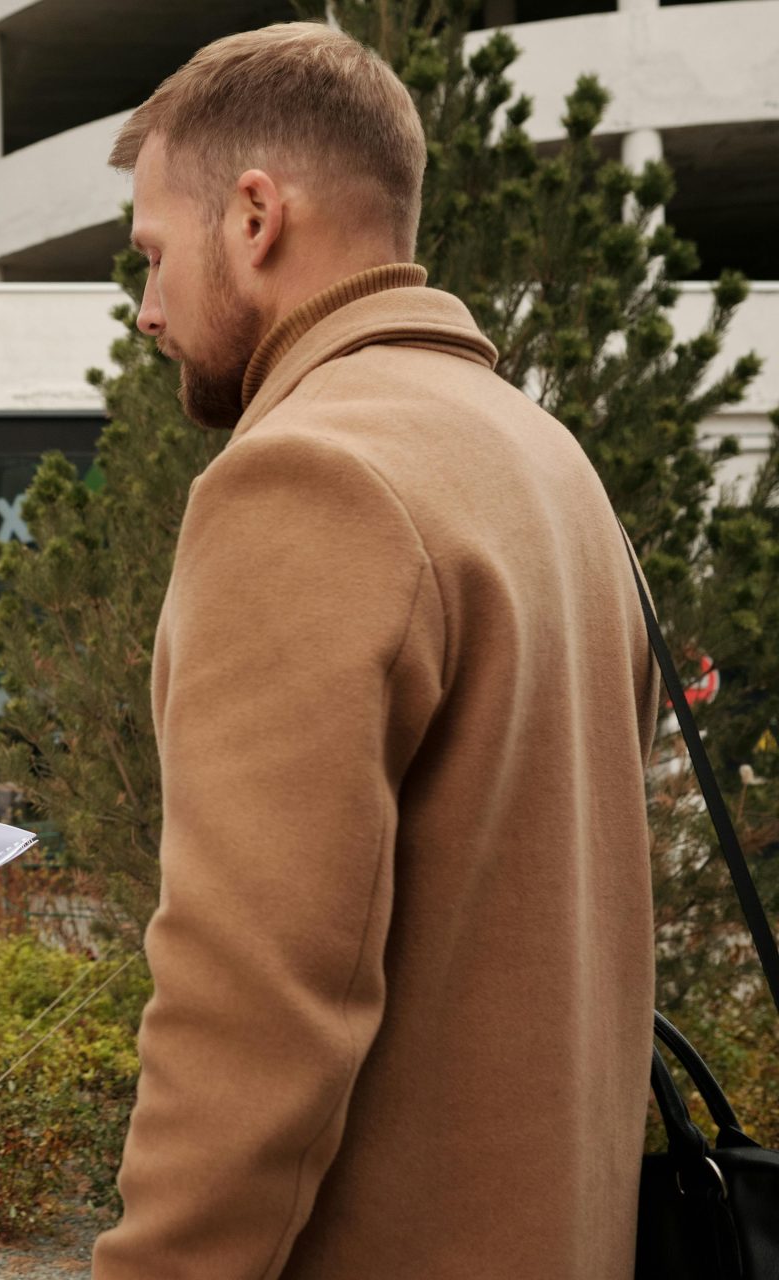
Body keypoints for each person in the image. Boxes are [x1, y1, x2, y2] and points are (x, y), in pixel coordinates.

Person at [91, 23, 658, 1279]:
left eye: (153, 253)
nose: (146, 309)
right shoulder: (548, 461)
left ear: (254, 217)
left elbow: (252, 1013)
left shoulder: (305, 477)